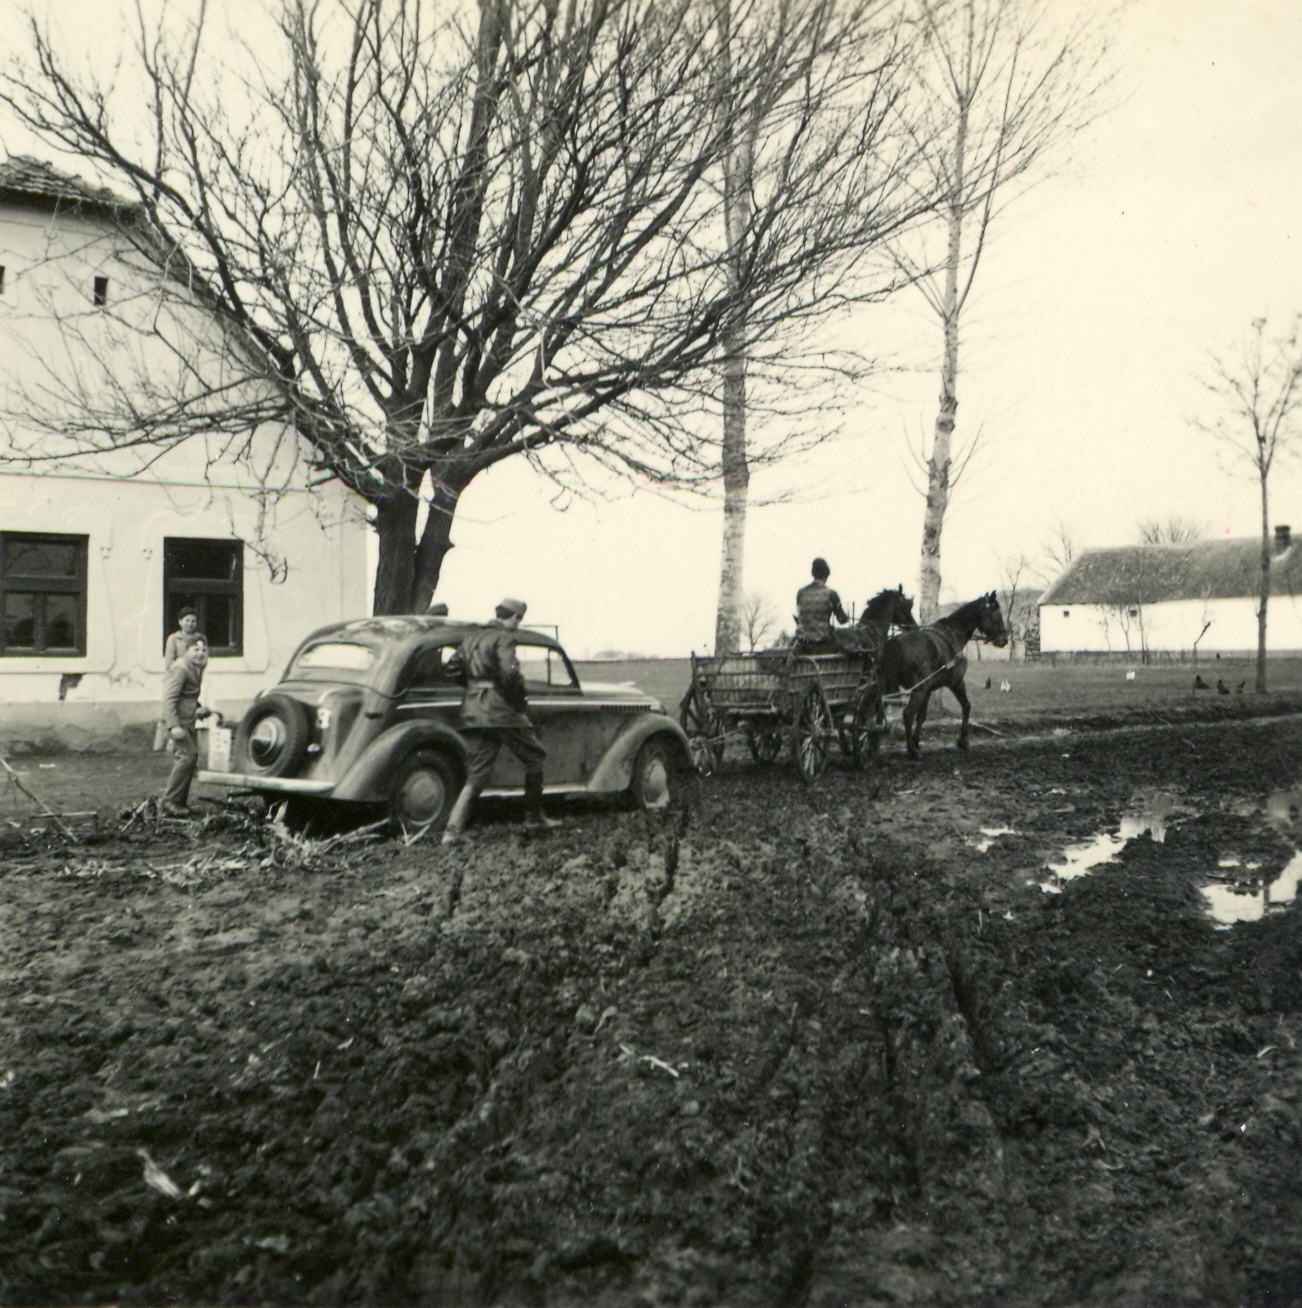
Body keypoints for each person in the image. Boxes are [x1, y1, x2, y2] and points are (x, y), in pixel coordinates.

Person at [441, 598, 561, 843]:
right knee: (535, 756)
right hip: (500, 710)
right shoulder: (504, 637)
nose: (518, 625)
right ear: (514, 618)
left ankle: (452, 832)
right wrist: (518, 702)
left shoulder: (473, 636)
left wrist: (475, 688)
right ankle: (534, 818)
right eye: (519, 620)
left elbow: (452, 669)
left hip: (474, 708)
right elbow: (510, 673)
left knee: (478, 772)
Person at [160, 637, 210, 815]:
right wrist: (173, 726)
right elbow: (169, 699)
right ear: (187, 651)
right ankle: (169, 801)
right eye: (195, 650)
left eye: (204, 651)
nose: (200, 654)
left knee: (191, 759)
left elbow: (187, 697)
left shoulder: (195, 668)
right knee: (186, 758)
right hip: (179, 722)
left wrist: (199, 708)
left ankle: (179, 802)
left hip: (188, 720)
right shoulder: (180, 668)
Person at [155, 608, 206, 750]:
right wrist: (183, 667)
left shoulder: (199, 639)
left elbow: (203, 661)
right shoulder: (174, 639)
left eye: (193, 621)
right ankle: (165, 742)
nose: (190, 624)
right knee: (171, 706)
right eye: (187, 621)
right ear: (180, 622)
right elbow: (169, 663)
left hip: (191, 679)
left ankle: (185, 741)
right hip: (177, 676)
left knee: (188, 711)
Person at [794, 557, 849, 653]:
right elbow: (842, 620)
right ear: (826, 575)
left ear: (813, 574)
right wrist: (846, 617)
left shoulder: (801, 592)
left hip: (802, 642)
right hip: (823, 642)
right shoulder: (831, 594)